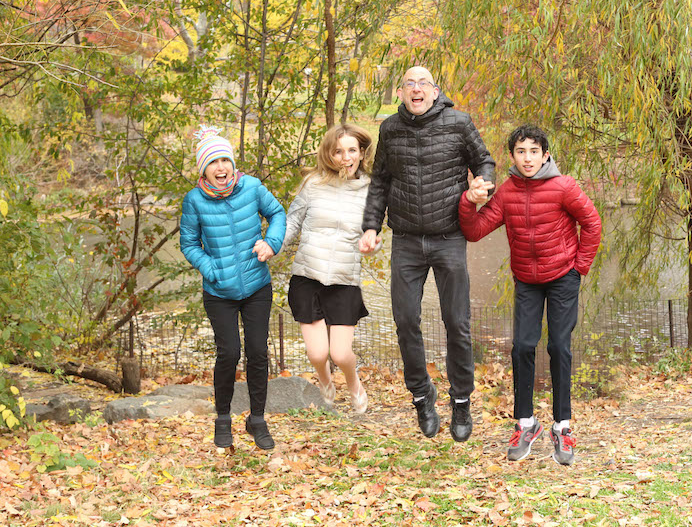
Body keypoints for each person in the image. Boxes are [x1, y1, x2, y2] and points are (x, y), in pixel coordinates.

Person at [359, 65, 495, 442]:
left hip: (449, 237)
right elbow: (380, 182)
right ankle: (422, 396)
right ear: (400, 93)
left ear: (435, 91)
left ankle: (462, 401)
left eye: (423, 84)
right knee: (405, 322)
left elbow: (484, 161)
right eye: (408, 84)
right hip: (405, 240)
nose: (415, 90)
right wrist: (370, 226)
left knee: (457, 324)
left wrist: (485, 184)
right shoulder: (389, 129)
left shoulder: (458, 122)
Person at [458, 124, 601, 465]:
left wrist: (579, 268)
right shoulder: (507, 192)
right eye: (521, 152)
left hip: (563, 276)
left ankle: (562, 428)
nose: (527, 158)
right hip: (527, 280)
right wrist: (468, 200)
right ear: (513, 156)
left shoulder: (564, 186)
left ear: (545, 155)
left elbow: (592, 223)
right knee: (522, 346)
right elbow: (475, 230)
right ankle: (527, 424)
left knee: (559, 346)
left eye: (534, 151)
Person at [180, 125, 286, 451]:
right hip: (218, 292)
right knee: (229, 353)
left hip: (257, 286)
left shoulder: (252, 187)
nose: (221, 167)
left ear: (233, 164)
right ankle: (222, 419)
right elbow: (189, 244)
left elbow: (278, 213)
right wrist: (210, 268)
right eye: (213, 163)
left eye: (225, 160)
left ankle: (257, 420)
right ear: (204, 170)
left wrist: (271, 243)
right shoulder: (194, 201)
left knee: (257, 352)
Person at [283, 123, 376, 414]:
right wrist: (271, 246)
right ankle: (325, 382)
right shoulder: (313, 184)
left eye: (351, 150)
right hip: (307, 276)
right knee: (317, 352)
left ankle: (354, 385)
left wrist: (372, 243)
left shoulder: (371, 190)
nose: (345, 157)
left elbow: (374, 232)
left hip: (344, 279)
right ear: (329, 154)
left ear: (361, 153)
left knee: (340, 353)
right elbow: (291, 223)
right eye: (338, 151)